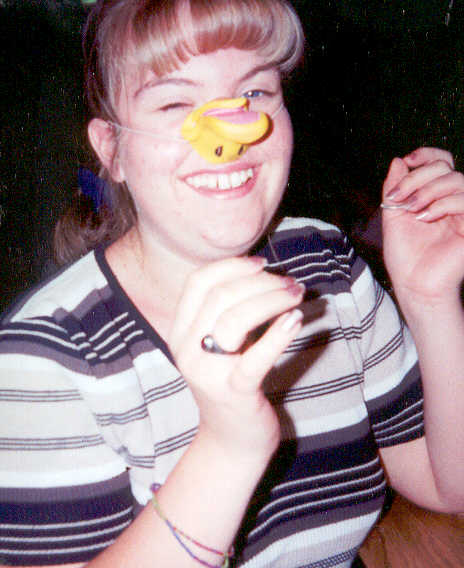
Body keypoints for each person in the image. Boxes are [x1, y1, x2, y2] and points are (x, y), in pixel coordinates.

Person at [1, 1, 463, 567]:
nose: (231, 136)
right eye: (175, 103)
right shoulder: (43, 358)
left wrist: (430, 299)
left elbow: (447, 486)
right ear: (111, 149)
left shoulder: (329, 269)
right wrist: (227, 446)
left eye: (255, 93)